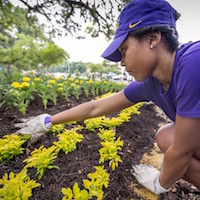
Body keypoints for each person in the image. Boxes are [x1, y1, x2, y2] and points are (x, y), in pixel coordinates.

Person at [16, 0, 200, 195]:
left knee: (176, 150)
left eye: (123, 51)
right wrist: (48, 121)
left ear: (152, 39)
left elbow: (181, 152)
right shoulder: (151, 84)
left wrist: (160, 182)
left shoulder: (192, 63)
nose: (121, 63)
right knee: (165, 138)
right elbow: (96, 108)